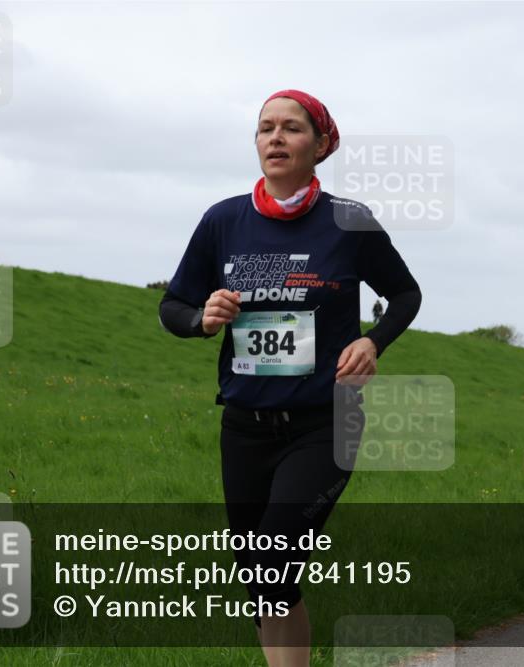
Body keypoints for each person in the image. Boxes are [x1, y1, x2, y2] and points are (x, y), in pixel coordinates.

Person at [158, 89, 421, 667]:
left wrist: (372, 340)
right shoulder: (223, 220)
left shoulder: (348, 221)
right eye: (264, 128)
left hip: (327, 422)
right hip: (245, 426)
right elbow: (173, 306)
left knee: (273, 561)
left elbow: (404, 294)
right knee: (258, 576)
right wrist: (201, 320)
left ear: (321, 145)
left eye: (292, 128)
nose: (275, 138)